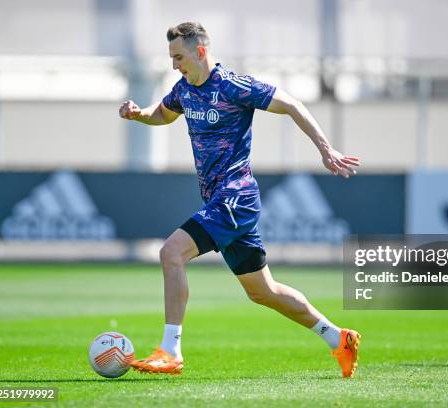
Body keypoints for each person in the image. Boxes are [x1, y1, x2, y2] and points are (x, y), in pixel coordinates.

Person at [118, 21, 361, 378]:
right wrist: (139, 114)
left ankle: (170, 350)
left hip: (236, 196)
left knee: (171, 253)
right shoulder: (184, 89)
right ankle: (339, 338)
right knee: (263, 292)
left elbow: (291, 103)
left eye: (179, 56)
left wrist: (326, 150)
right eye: (171, 58)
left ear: (200, 51)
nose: (174, 65)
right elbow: (163, 114)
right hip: (221, 202)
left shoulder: (232, 85)